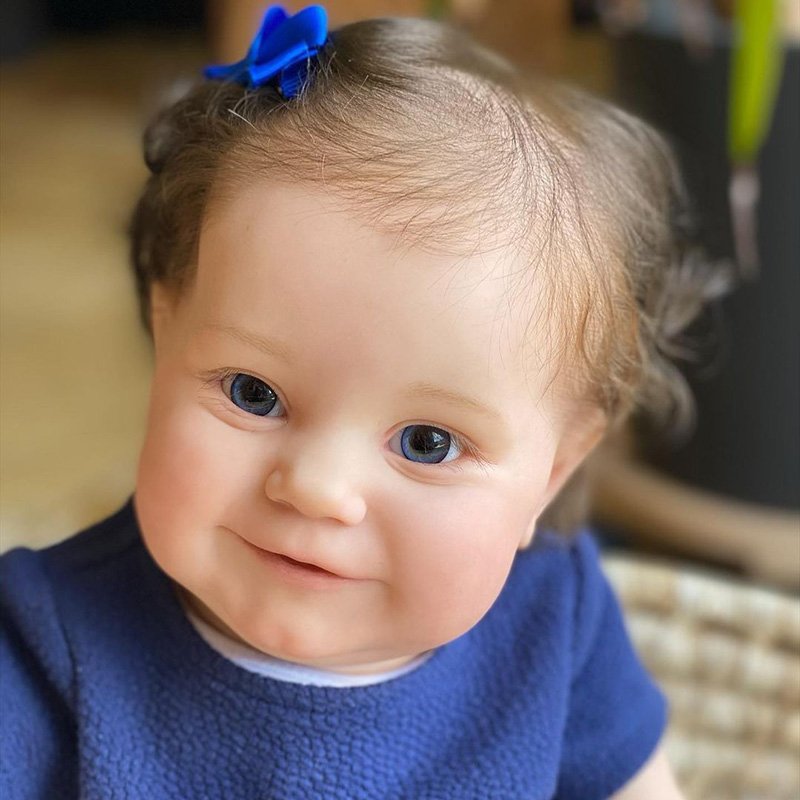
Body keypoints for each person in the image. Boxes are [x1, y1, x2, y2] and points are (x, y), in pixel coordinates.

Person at [0, 5, 721, 798]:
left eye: (426, 443)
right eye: (254, 394)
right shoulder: (40, 647)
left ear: (551, 475)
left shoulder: (553, 617)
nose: (317, 487)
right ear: (165, 327)